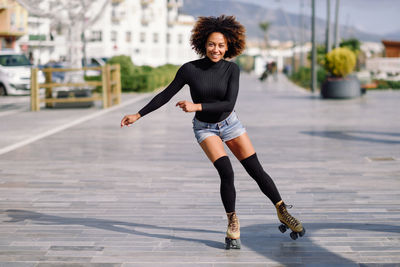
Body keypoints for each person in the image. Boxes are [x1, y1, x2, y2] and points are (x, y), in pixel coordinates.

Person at [120, 15, 305, 249]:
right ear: (202, 44)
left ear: (228, 46)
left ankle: (281, 210)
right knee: (226, 172)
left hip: (230, 124)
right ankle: (232, 222)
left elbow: (228, 104)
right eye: (211, 44)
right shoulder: (189, 70)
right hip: (205, 129)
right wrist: (138, 114)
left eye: (220, 45)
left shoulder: (231, 70)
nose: (215, 49)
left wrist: (196, 106)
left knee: (256, 170)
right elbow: (166, 94)